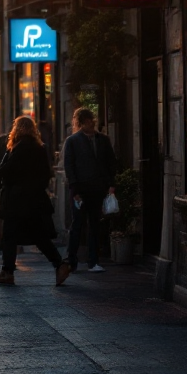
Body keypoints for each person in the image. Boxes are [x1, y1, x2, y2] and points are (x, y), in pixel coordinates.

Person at [0, 116, 71, 287]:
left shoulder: (18, 148)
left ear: (16, 129)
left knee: (9, 235)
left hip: (17, 200)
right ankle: (59, 264)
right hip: (34, 200)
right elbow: (46, 174)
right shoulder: (38, 148)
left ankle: (7, 272)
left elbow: (9, 170)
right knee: (39, 236)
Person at [62, 108, 117, 273]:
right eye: (87, 121)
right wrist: (74, 189)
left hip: (97, 189)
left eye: (92, 119)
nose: (91, 123)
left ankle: (94, 261)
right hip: (80, 190)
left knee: (95, 226)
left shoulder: (103, 140)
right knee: (77, 225)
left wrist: (111, 184)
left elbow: (111, 163)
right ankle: (72, 260)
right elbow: (69, 166)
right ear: (80, 123)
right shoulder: (72, 141)